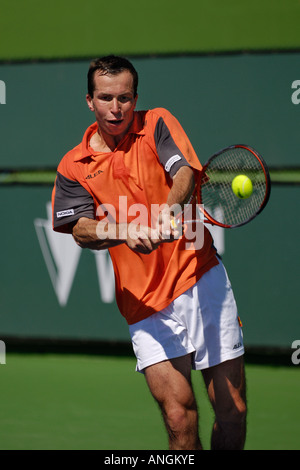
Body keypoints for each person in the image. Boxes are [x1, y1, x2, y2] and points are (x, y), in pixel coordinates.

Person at [52, 55, 246, 450]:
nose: (116, 108)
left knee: (232, 411)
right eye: (106, 98)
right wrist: (124, 230)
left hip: (199, 276)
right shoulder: (73, 166)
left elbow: (185, 173)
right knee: (178, 416)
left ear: (135, 97)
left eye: (124, 98)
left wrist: (166, 214)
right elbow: (79, 229)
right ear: (90, 100)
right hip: (143, 303)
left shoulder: (156, 121)